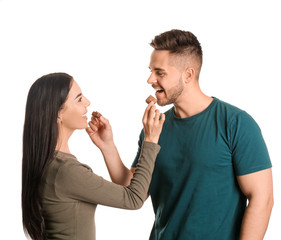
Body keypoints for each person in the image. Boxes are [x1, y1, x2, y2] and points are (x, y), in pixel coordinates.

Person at [101, 30, 274, 239]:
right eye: (150, 71)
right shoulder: (155, 128)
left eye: (159, 72)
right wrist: (107, 146)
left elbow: (261, 199)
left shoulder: (235, 123)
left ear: (188, 74)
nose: (150, 79)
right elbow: (133, 191)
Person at [21, 72, 165, 240]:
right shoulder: (65, 171)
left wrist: (107, 146)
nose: (87, 102)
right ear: (58, 113)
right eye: (79, 98)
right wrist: (150, 140)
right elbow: (134, 199)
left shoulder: (52, 164)